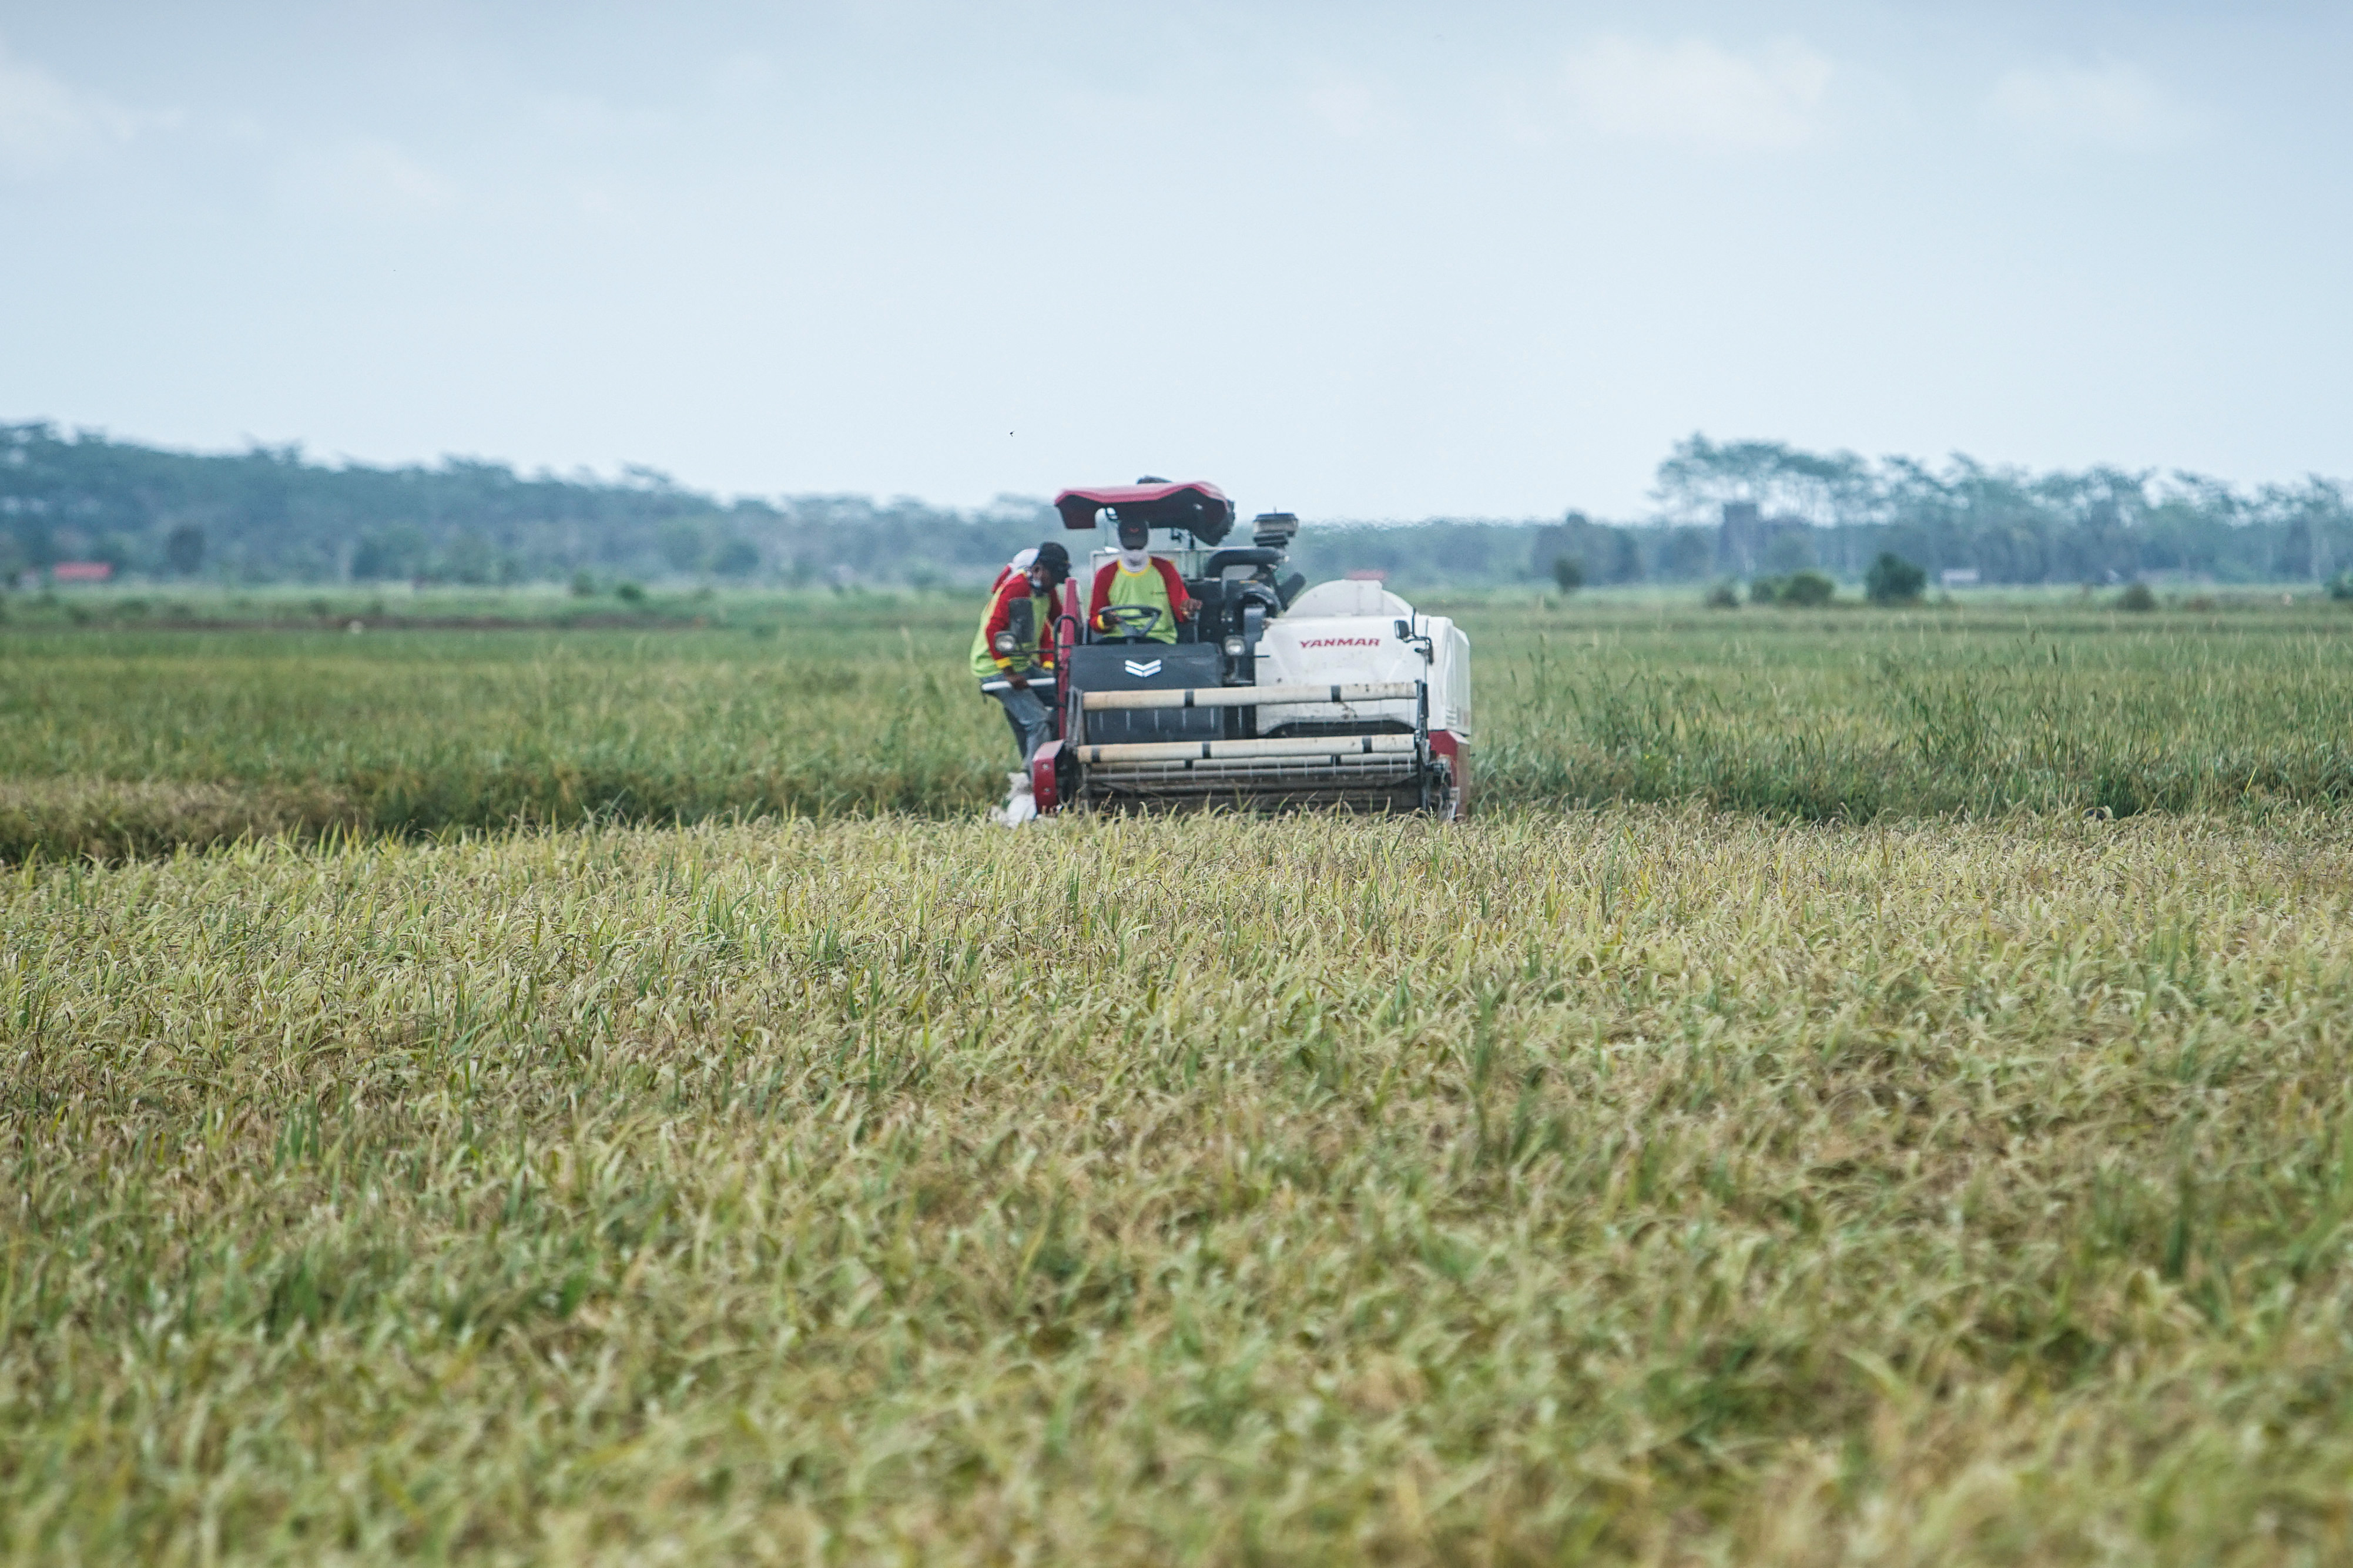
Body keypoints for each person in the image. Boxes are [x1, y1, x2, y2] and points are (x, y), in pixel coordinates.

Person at [970, 540, 1070, 764]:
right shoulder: (1019, 588)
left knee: (1066, 695)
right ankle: (1037, 779)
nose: (1054, 583)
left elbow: (1059, 623)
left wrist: (1051, 664)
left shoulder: (1046, 591)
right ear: (1037, 569)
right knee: (1038, 721)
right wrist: (1009, 673)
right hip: (996, 666)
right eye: (1052, 577)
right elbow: (993, 628)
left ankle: (1052, 763)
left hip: (1022, 665)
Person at [1088, 514, 1194, 643]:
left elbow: (1182, 611)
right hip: (1117, 641)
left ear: (1147, 541)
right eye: (1131, 546)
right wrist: (1104, 621)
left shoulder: (1165, 569)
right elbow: (1094, 620)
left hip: (1159, 640)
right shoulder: (1105, 574)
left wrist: (1189, 610)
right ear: (1120, 542)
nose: (1135, 551)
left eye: (1139, 546)